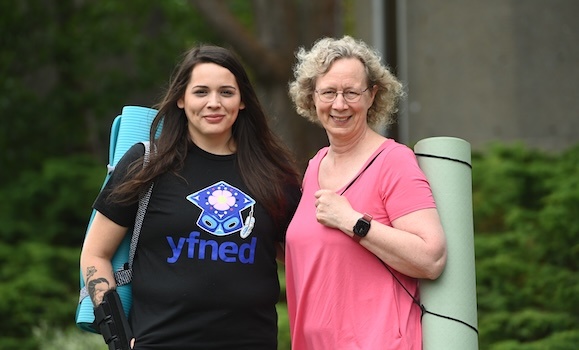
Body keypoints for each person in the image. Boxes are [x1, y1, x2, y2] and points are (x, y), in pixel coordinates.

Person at [80, 45, 302, 350]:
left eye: (226, 92)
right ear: (181, 99)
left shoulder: (273, 174)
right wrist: (118, 339)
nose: (214, 103)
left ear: (243, 102)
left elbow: (300, 253)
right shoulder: (146, 164)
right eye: (201, 92)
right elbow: (95, 253)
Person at [285, 35, 448, 349]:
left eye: (351, 92)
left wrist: (353, 221)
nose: (340, 104)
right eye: (329, 92)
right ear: (312, 96)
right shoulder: (314, 165)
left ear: (372, 95)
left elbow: (432, 257)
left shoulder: (394, 161)